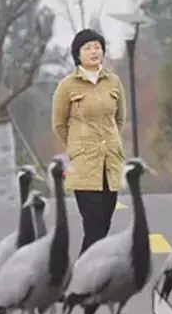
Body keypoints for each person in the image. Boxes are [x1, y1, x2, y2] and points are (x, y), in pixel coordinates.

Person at [51, 28, 127, 256]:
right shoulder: (67, 85)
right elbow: (59, 124)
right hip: (84, 165)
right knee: (94, 226)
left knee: (104, 224)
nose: (94, 52)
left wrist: (110, 141)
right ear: (78, 54)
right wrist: (77, 146)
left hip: (110, 162)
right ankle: (82, 273)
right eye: (88, 48)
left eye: (97, 47)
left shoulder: (113, 82)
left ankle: (88, 271)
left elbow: (119, 118)